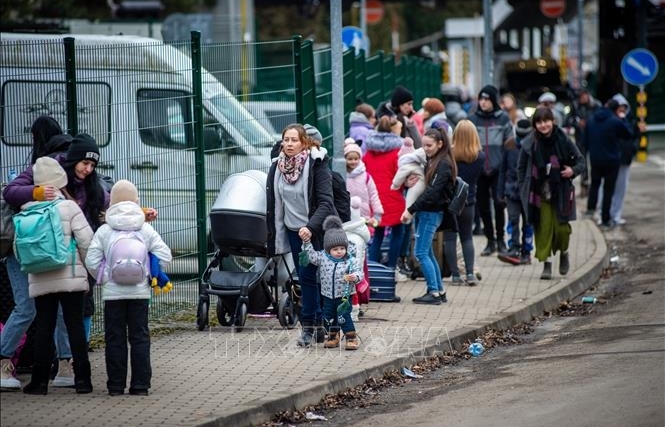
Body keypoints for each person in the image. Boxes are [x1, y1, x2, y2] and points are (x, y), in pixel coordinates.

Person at [1, 116, 73, 390]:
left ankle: (65, 363)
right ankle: (4, 360)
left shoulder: (75, 174)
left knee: (53, 308)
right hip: (26, 248)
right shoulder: (38, 171)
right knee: (29, 307)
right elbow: (11, 192)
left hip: (50, 249)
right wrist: (39, 191)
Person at [85, 180, 172, 396]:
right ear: (136, 201)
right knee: (140, 337)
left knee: (114, 339)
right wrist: (147, 273)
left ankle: (115, 386)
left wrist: (105, 276)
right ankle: (140, 386)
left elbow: (91, 260)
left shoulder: (105, 230)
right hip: (139, 293)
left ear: (111, 202)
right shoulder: (145, 228)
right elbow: (165, 255)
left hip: (112, 295)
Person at [19, 157, 94, 395]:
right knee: (74, 326)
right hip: (70, 275)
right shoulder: (69, 207)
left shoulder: (26, 210)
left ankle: (39, 382)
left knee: (44, 327)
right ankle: (82, 380)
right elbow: (87, 242)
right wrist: (92, 274)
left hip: (41, 276)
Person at [266, 123, 336, 347]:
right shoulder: (278, 166)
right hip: (294, 231)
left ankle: (325, 323)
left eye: (294, 140)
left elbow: (326, 203)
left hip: (317, 231)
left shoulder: (317, 165)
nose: (289, 144)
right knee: (305, 278)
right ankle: (311, 327)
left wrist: (311, 227)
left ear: (304, 142)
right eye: (286, 139)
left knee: (323, 278)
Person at [518, 107, 586, 280]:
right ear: (535, 125)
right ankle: (546, 264)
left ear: (553, 121)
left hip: (561, 191)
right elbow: (520, 168)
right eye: (539, 122)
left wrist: (572, 171)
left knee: (562, 229)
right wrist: (523, 188)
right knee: (543, 229)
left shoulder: (564, 140)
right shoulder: (529, 143)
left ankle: (564, 252)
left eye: (546, 121)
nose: (543, 125)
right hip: (538, 194)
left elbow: (581, 161)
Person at [401, 127, 456, 305]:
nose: (425, 149)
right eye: (423, 145)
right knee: (428, 253)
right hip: (429, 212)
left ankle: (433, 292)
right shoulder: (435, 160)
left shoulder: (444, 164)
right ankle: (439, 290)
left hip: (430, 212)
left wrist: (411, 209)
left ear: (440, 144)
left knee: (421, 253)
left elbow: (432, 192)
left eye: (429, 145)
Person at [302, 215, 363, 350]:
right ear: (328, 249)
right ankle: (332, 336)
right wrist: (307, 243)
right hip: (327, 295)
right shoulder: (323, 257)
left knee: (343, 316)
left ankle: (351, 337)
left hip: (345, 295)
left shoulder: (350, 260)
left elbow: (359, 273)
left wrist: (354, 277)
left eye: (342, 248)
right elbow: (311, 256)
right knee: (328, 316)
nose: (339, 252)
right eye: (335, 249)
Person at [468, 85, 515, 256]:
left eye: (487, 99)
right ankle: (490, 241)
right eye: (481, 99)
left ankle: (501, 240)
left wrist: (508, 167)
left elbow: (510, 145)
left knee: (499, 204)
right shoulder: (472, 119)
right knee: (483, 207)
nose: (483, 102)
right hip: (479, 170)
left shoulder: (503, 119)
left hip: (498, 170)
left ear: (493, 100)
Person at [362, 115, 409, 281]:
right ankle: (390, 268)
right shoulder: (397, 152)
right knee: (398, 232)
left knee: (378, 233)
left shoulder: (368, 152)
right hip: (394, 196)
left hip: (374, 198)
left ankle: (373, 268)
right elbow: (402, 175)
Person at [443, 119, 485, 285]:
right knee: (467, 238)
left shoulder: (449, 155)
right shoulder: (479, 156)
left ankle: (455, 275)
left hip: (450, 202)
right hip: (469, 200)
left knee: (450, 238)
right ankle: (469, 274)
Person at [583, 99, 634, 228]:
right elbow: (628, 134)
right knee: (608, 190)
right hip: (612, 160)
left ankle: (590, 209)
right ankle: (606, 219)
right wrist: (623, 119)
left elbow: (584, 141)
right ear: (617, 110)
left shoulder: (591, 119)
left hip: (595, 159)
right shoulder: (615, 121)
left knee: (595, 184)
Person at [498, 119, 534, 265]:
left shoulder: (534, 146)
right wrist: (500, 191)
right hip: (511, 190)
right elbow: (502, 169)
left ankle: (526, 251)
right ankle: (513, 247)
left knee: (528, 222)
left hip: (529, 191)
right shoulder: (509, 145)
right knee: (513, 219)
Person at [608, 93, 640, 225]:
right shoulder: (610, 121)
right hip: (612, 159)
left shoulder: (630, 120)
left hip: (625, 158)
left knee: (621, 188)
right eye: (619, 107)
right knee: (609, 188)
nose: (622, 110)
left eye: (624, 107)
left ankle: (616, 215)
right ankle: (607, 213)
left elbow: (634, 136)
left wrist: (633, 150)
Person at [565, 88, 602, 192]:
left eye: (583, 96)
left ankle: (595, 185)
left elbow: (601, 119)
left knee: (595, 161)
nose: (582, 99)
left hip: (594, 138)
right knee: (582, 162)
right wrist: (577, 123)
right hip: (581, 138)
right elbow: (567, 120)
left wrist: (589, 123)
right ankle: (584, 185)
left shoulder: (596, 105)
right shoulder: (576, 105)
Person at [343, 138, 383, 227]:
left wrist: (377, 213)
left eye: (356, 159)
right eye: (350, 159)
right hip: (347, 216)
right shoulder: (342, 176)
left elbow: (373, 195)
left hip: (364, 216)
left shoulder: (366, 176)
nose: (353, 161)